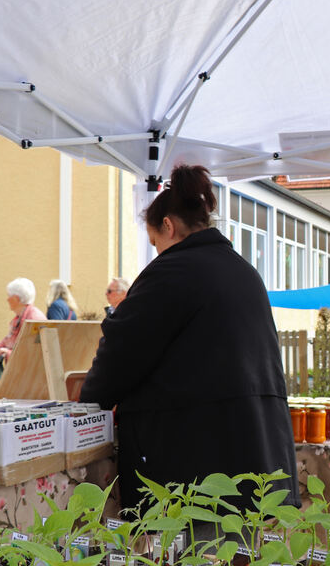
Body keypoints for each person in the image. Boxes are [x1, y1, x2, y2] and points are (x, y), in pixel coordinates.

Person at [81, 164, 297, 512]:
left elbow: (122, 352)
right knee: (237, 561)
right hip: (255, 456)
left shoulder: (171, 272)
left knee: (186, 560)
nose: (156, 252)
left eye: (154, 242)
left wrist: (88, 408)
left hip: (195, 467)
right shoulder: (243, 271)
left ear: (168, 225)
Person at [0, 278, 46, 359]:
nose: (7, 299)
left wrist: (8, 353)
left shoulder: (34, 319)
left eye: (9, 296)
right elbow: (4, 344)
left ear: (16, 299)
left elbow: (34, 352)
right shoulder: (21, 317)